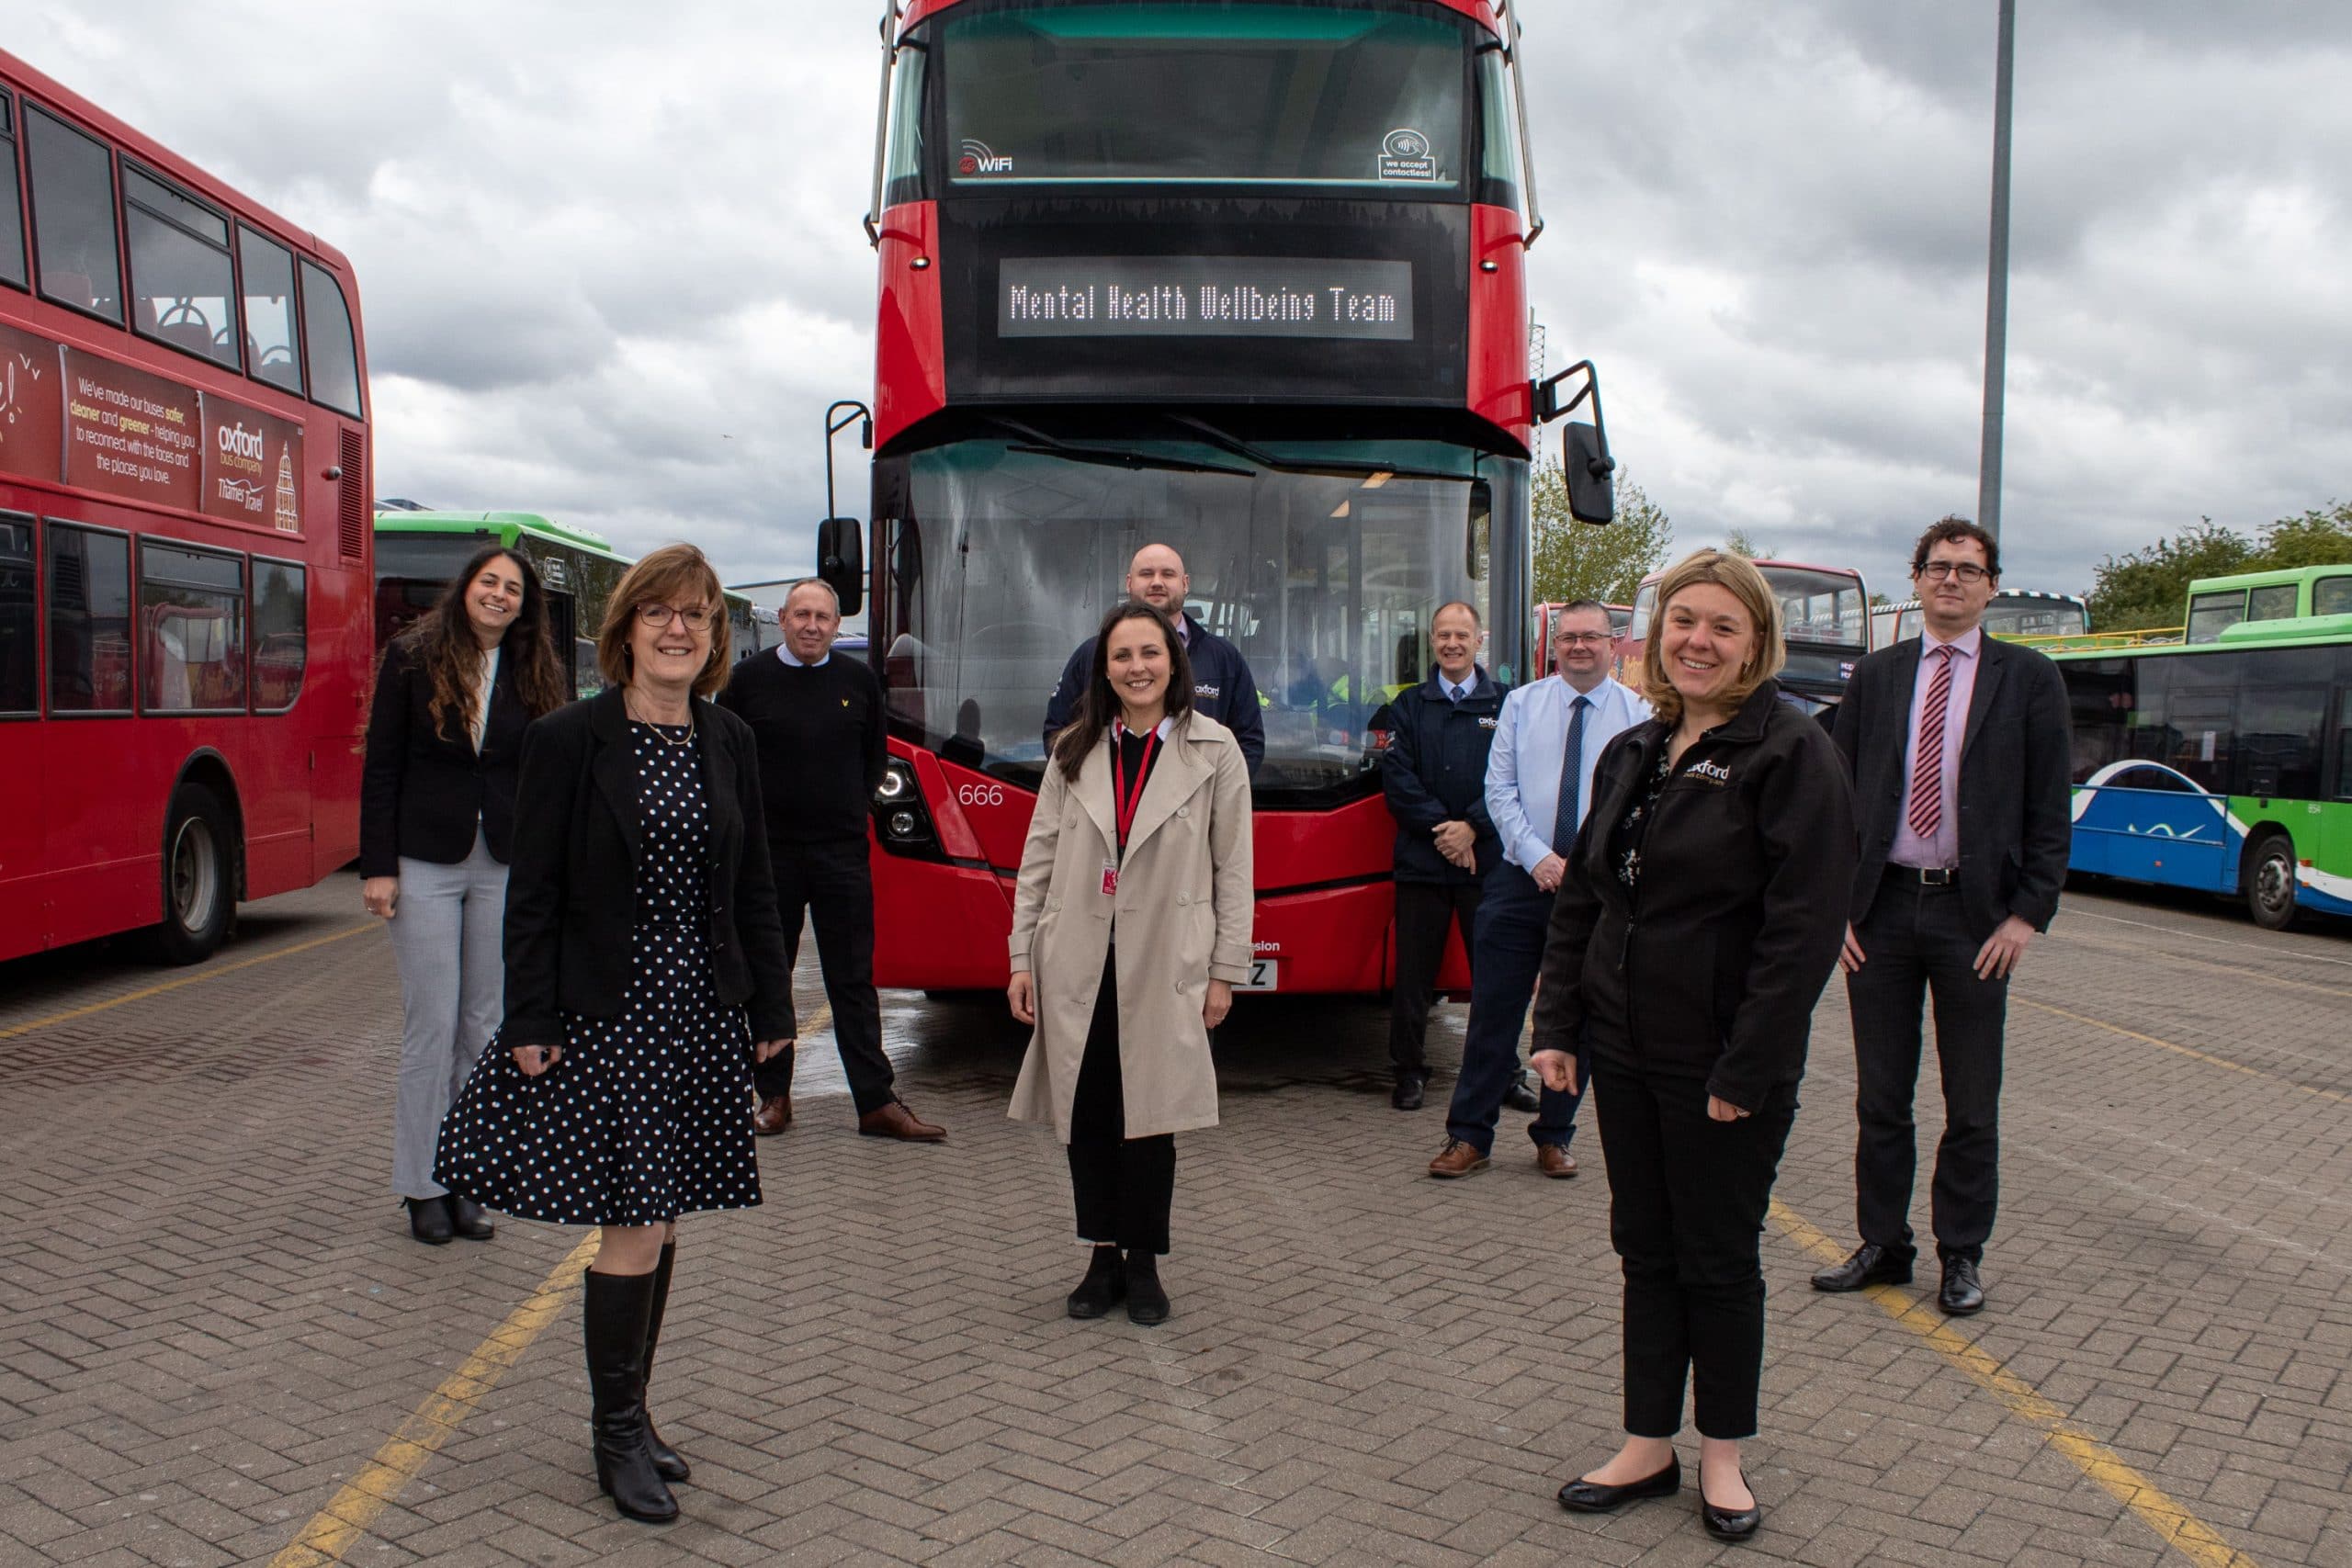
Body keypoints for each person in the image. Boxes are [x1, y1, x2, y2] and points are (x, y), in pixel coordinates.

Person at [434, 545, 797, 1525]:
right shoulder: (569, 739)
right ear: (626, 627)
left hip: (701, 1012)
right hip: (611, 1013)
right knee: (634, 1219)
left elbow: (753, 884)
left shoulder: (729, 740)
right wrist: (530, 1016)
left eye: (697, 615)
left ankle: (634, 1410)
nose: (677, 629)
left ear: (717, 635)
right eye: (658, 613)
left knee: (665, 1213)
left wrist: (771, 1011)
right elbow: (534, 891)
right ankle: (615, 1439)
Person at [1530, 548, 1855, 1542]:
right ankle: (1645, 1444)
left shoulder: (1789, 755)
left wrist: (1747, 1067)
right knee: (1644, 1247)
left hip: (1721, 1063)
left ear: (1755, 640)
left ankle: (1721, 1456)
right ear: (1657, 636)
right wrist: (1557, 1029)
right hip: (1622, 1049)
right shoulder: (1634, 748)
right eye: (1682, 623)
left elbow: (1801, 935)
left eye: (1721, 626)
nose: (1698, 642)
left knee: (1717, 1257)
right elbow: (1586, 895)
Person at [1812, 516, 2072, 1317]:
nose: (1951, 579)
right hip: (1882, 911)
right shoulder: (1879, 676)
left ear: (1992, 585)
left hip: (1976, 919)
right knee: (1881, 1096)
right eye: (1937, 566)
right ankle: (1884, 1244)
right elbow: (1839, 797)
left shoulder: (2028, 679)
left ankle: (1961, 1253)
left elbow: (2050, 809)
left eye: (1968, 568)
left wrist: (2027, 915)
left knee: (1971, 1100)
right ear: (1916, 579)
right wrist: (1836, 910)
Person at [1006, 603, 1253, 1326]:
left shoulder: (1216, 751)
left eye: (1151, 653)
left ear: (1174, 664)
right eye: (1122, 656)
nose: (1137, 667)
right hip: (1080, 957)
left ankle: (1143, 1262)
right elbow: (1038, 859)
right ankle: (1099, 1254)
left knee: (1151, 1117)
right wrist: (1022, 954)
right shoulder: (1075, 750)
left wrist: (1223, 971)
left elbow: (1234, 868)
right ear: (1103, 669)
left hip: (1167, 961)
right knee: (1087, 1113)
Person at [360, 545, 568, 1246]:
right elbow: (382, 764)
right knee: (432, 1025)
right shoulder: (414, 656)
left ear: (523, 603)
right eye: (490, 582)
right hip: (424, 859)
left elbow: (548, 775)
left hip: (502, 863)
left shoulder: (534, 667)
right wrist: (377, 866)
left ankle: (469, 1179)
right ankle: (421, 1184)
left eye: (513, 588)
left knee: (484, 1028)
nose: (500, 595)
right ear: (466, 588)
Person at [718, 580, 944, 1141]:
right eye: (801, 615)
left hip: (841, 853)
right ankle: (773, 1095)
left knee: (852, 980)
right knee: (772, 976)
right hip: (769, 855)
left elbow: (874, 757)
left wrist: (852, 805)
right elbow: (725, 761)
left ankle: (875, 1102)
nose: (812, 625)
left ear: (838, 625)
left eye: (823, 616)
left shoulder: (858, 682)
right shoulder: (747, 682)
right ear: (785, 621)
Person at [1427, 603, 1647, 1179]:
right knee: (1494, 1012)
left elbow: (1639, 805)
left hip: (1596, 891)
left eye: (1591, 637)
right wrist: (1538, 857)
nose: (1579, 646)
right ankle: (1468, 1136)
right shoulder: (1521, 704)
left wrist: (1584, 866)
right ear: (1555, 648)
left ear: (1611, 643)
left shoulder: (1639, 716)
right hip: (1519, 881)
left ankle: (1554, 1134)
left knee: (1577, 1019)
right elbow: (1498, 790)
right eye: (1569, 637)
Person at [1377, 600, 1509, 1111]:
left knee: (1495, 976)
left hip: (1487, 864)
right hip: (1423, 863)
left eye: (1461, 635)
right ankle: (1408, 1071)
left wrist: (1473, 828)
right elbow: (1398, 781)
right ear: (1432, 642)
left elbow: (1512, 778)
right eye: (1442, 635)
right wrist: (1450, 835)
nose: (1451, 644)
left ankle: (1504, 1069)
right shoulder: (1408, 705)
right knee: (1413, 977)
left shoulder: (1507, 704)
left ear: (1480, 640)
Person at [1043, 543, 1265, 778]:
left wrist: (1210, 796)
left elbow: (1249, 743)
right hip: (1114, 808)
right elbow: (1058, 735)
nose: (1157, 582)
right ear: (1129, 583)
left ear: (1185, 583)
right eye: (1146, 574)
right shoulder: (1091, 655)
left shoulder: (1225, 659)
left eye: (1168, 574)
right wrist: (1098, 793)